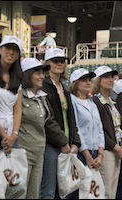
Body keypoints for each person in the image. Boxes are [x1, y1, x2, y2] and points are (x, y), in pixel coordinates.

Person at [39, 47, 81, 199]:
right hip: (51, 145)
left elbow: (72, 119)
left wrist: (75, 142)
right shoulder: (43, 86)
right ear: (47, 63)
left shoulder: (65, 89)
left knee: (64, 190)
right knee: (48, 191)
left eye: (62, 61)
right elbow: (47, 119)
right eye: (55, 61)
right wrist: (63, 143)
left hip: (67, 145)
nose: (59, 64)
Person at [91, 65, 122, 199]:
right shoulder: (95, 102)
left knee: (112, 193)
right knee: (105, 192)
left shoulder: (112, 102)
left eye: (111, 77)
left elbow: (119, 127)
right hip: (106, 150)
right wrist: (116, 147)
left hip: (117, 150)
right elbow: (99, 129)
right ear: (98, 81)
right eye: (106, 77)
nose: (110, 80)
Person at [68, 68, 105, 199]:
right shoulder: (72, 101)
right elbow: (76, 129)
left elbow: (100, 129)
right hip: (81, 154)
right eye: (84, 80)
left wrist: (100, 154)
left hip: (95, 153)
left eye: (89, 80)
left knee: (93, 193)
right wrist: (88, 156)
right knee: (78, 192)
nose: (88, 82)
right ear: (75, 83)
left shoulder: (92, 103)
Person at [18, 58, 51, 198]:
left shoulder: (41, 96)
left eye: (42, 72)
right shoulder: (19, 95)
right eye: (37, 72)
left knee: (33, 194)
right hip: (23, 150)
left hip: (39, 151)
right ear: (27, 74)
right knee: (19, 193)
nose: (42, 76)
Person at [0, 35, 22, 154]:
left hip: (12, 136)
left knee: (12, 172)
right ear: (0, 50)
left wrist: (14, 135)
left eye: (15, 50)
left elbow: (17, 110)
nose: (11, 52)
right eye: (7, 48)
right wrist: (3, 135)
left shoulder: (17, 79)